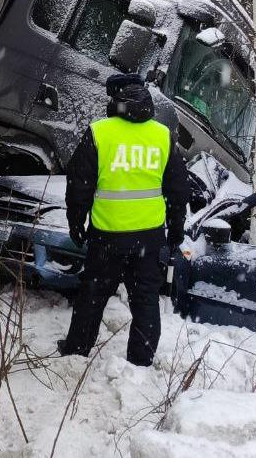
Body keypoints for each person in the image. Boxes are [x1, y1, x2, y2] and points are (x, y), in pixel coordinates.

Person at [57, 73, 188, 366]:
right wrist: (176, 230)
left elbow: (79, 184)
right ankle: (140, 361)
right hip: (149, 239)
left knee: (92, 296)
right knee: (145, 301)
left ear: (115, 101)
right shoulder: (163, 136)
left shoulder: (100, 132)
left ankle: (77, 351)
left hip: (107, 237)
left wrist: (75, 221)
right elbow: (179, 190)